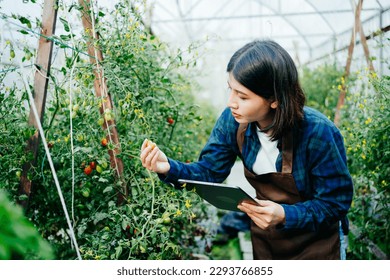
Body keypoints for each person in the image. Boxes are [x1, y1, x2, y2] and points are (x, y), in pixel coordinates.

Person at [140, 40, 353, 260]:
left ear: (275, 100)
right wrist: (167, 167)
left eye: (242, 96)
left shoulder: (317, 132)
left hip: (317, 244)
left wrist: (285, 214)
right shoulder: (233, 122)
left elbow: (335, 203)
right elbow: (209, 172)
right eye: (230, 89)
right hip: (269, 241)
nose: (231, 102)